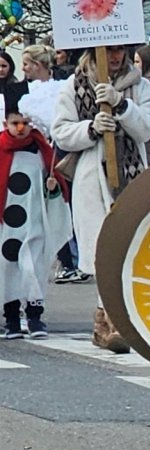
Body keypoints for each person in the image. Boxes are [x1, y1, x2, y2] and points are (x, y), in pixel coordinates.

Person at [52, 43, 150, 352]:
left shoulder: (140, 85)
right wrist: (90, 128)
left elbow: (149, 128)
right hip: (91, 177)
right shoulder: (75, 83)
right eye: (109, 51)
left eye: (120, 51)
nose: (115, 57)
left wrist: (123, 107)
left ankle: (114, 319)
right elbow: (60, 131)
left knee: (126, 247)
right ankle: (108, 321)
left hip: (131, 174)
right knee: (102, 248)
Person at [0, 107, 68, 339]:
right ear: (5, 123)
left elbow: (55, 185)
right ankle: (11, 318)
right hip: (6, 225)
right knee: (8, 268)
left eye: (25, 122)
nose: (20, 128)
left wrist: (52, 187)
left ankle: (35, 316)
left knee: (33, 267)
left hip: (34, 219)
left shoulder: (41, 151)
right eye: (15, 123)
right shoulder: (1, 149)